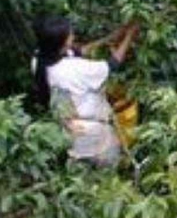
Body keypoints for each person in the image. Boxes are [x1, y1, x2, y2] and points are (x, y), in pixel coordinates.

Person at [32, 16, 137, 167]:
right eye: (70, 35)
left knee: (81, 173)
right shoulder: (75, 69)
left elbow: (80, 51)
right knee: (106, 173)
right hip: (92, 133)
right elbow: (112, 64)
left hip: (68, 130)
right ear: (62, 43)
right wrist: (129, 36)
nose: (73, 36)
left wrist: (112, 36)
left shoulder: (39, 59)